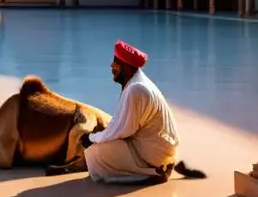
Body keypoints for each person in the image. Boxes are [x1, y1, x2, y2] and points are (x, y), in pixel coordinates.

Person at [80, 40, 196, 185]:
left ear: (126, 67)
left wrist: (91, 138)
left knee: (95, 152)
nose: (111, 65)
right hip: (158, 149)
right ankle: (155, 168)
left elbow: (121, 131)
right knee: (100, 142)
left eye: (116, 61)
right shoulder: (138, 84)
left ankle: (150, 174)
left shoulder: (136, 89)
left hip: (154, 154)